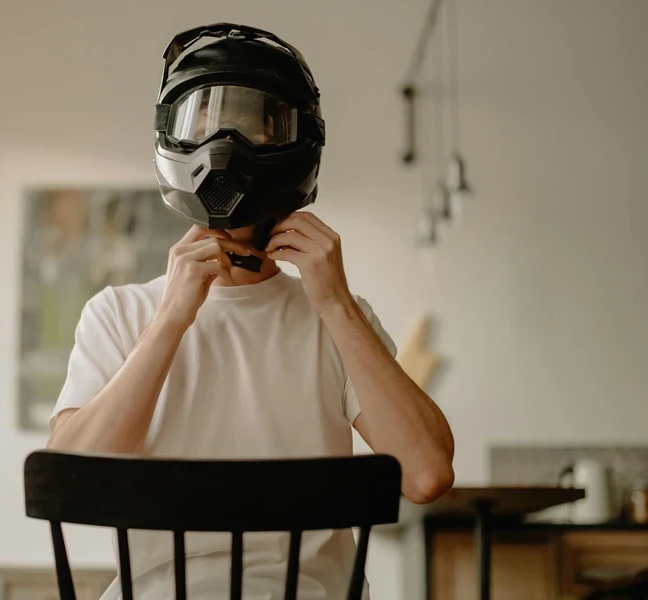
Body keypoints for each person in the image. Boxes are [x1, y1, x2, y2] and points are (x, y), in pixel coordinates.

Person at [47, 23, 454, 600]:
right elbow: (68, 483)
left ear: (292, 142)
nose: (225, 144)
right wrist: (169, 321)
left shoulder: (338, 315)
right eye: (205, 121)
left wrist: (335, 304)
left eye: (254, 125)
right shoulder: (120, 313)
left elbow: (428, 474)